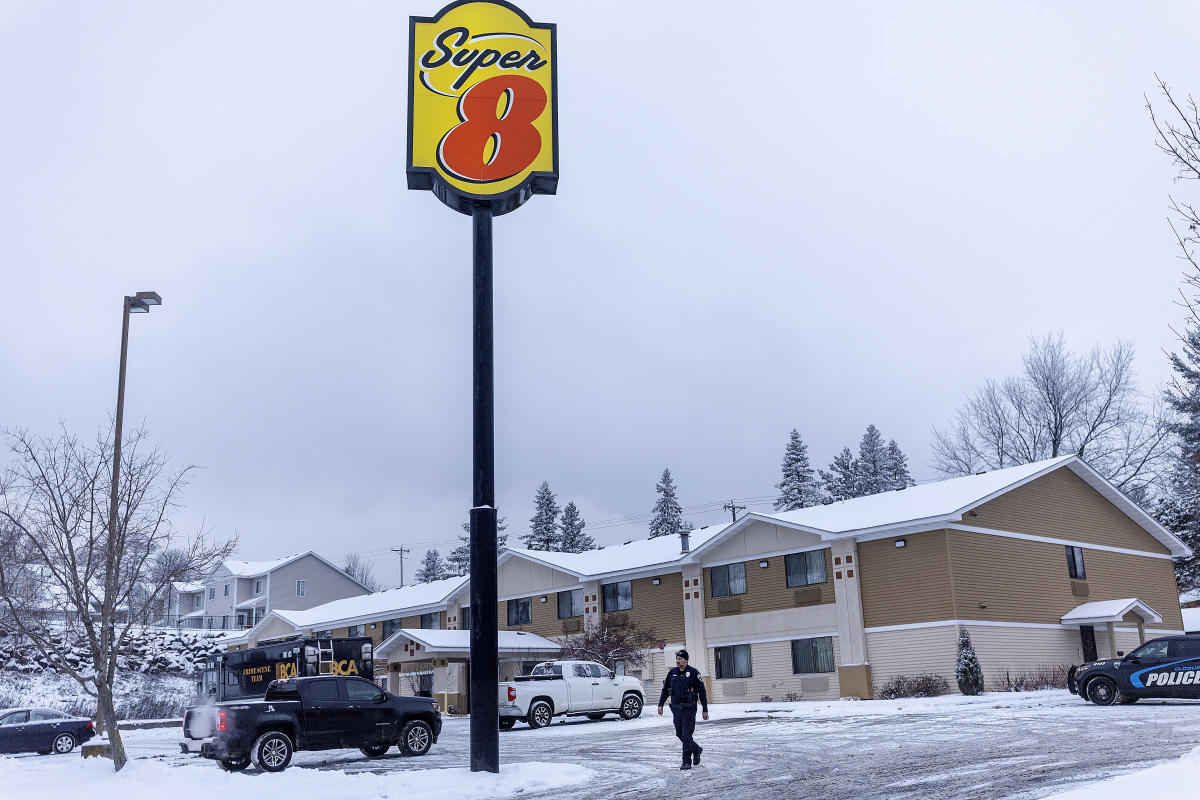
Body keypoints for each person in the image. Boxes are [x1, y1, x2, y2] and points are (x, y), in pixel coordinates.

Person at [657, 649, 709, 770]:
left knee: (686, 734)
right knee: (679, 733)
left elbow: (702, 692)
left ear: (685, 660)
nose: (677, 661)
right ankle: (696, 749)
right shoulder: (672, 673)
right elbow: (665, 690)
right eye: (677, 659)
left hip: (689, 709)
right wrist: (660, 705)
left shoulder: (694, 673)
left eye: (680, 659)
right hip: (676, 709)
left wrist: (705, 709)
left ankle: (686, 761)